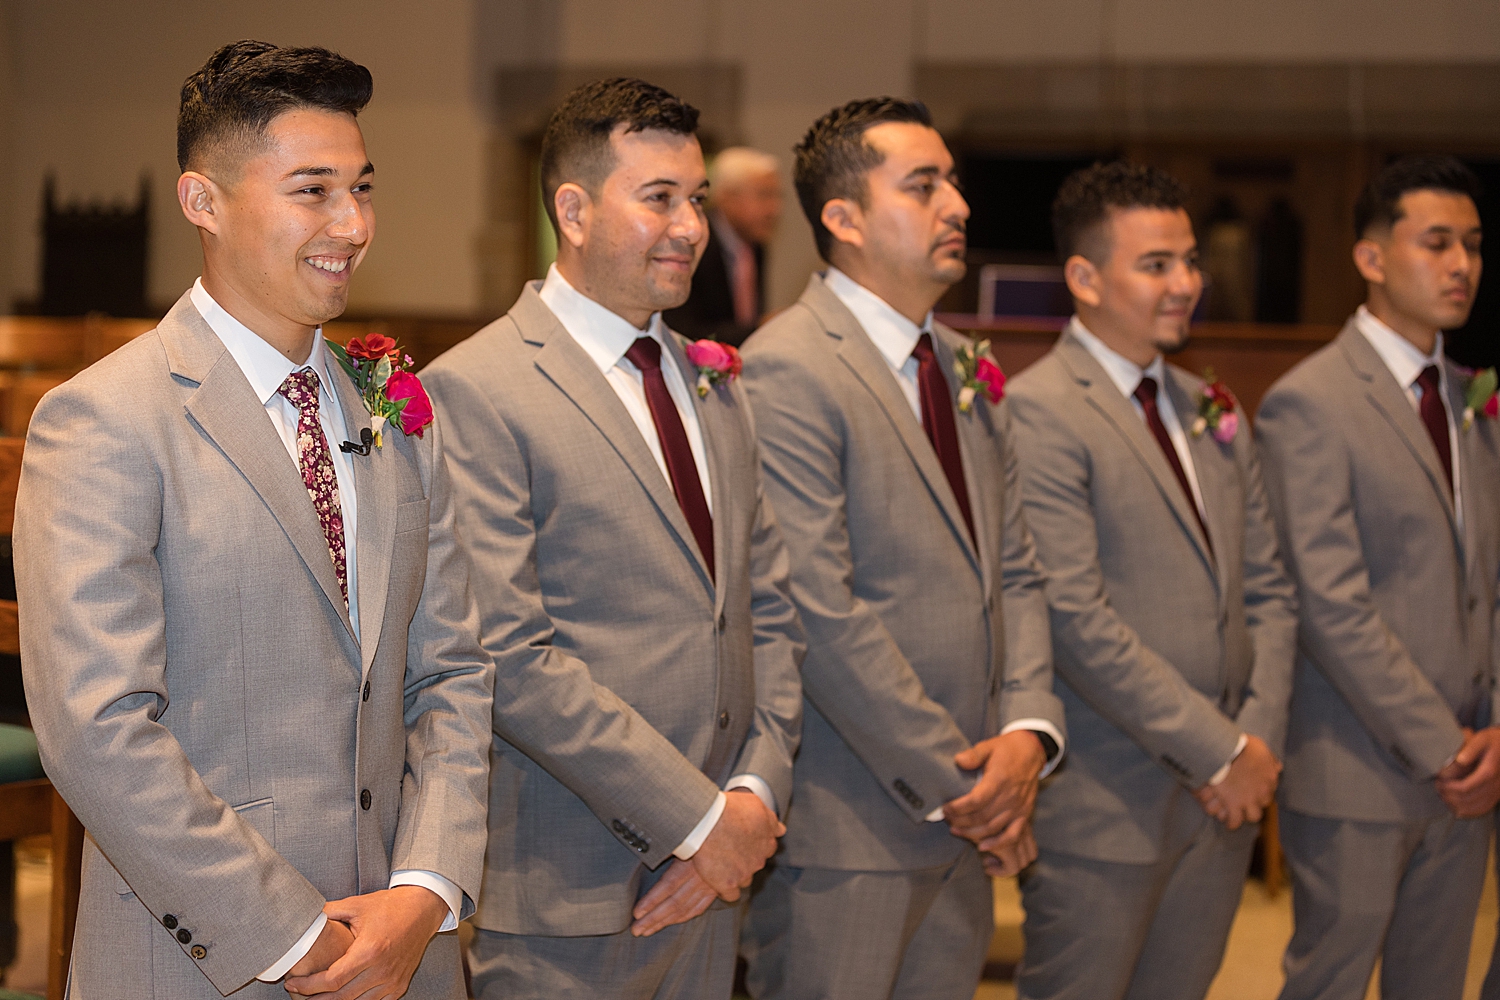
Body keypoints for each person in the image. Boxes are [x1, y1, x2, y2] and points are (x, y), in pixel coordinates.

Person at [14, 40, 494, 999]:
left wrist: (426, 889)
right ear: (203, 202)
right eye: (311, 190)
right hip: (206, 958)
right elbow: (96, 726)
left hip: (405, 952)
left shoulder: (389, 410)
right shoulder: (105, 418)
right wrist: (292, 934)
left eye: (362, 187)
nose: (352, 224)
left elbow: (453, 670)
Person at [421, 78, 803, 1000]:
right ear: (574, 210)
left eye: (698, 199)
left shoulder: (713, 382)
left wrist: (752, 798)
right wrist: (698, 820)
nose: (690, 227)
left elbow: (770, 613)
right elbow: (509, 652)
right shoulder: (479, 387)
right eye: (659, 198)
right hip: (571, 887)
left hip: (718, 877)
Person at [737, 97, 1066, 1000]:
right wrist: (965, 785)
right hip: (854, 828)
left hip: (966, 812)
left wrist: (1028, 736)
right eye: (923, 186)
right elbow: (819, 607)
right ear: (842, 219)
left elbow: (1019, 571)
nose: (957, 205)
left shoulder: (962, 364)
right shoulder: (789, 365)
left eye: (954, 182)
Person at [1004, 161, 1298, 1000]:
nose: (1186, 285)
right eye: (1157, 264)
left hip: (1224, 803)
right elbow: (1074, 616)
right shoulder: (1041, 410)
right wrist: (1218, 750)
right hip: (1110, 803)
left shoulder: (1210, 406)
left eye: (1190, 261)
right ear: (1085, 278)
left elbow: (1269, 591)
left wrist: (1257, 741)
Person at [1257, 155, 1500, 1000]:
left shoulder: (1472, 401)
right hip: (1360, 767)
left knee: (1433, 985)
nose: (1462, 264)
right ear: (1370, 258)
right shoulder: (1311, 401)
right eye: (1437, 243)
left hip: (1473, 771)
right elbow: (1330, 604)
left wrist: (1494, 731)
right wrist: (1444, 745)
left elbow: (1490, 586)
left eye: (1472, 244)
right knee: (1330, 982)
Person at [663, 146, 781, 345]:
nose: (774, 208)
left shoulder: (756, 246)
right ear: (727, 197)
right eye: (763, 195)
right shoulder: (695, 243)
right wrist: (760, 328)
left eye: (777, 196)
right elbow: (683, 331)